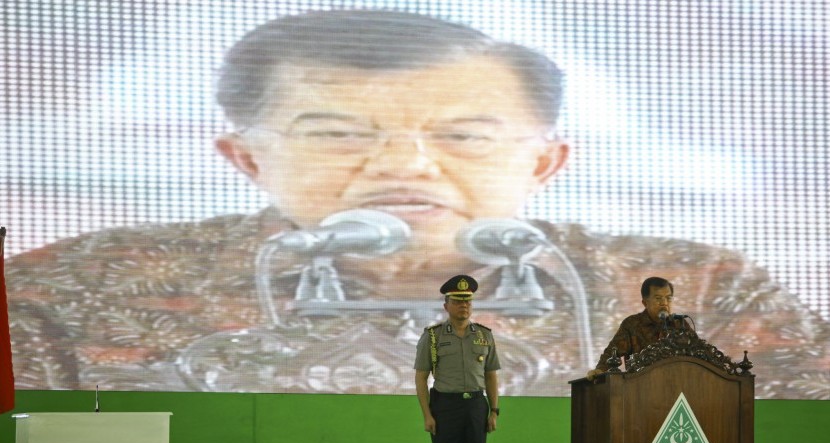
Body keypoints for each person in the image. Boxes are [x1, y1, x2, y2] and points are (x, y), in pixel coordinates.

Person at [5, 9, 829, 399]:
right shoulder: (68, 291)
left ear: (546, 160)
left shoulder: (700, 292)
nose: (405, 166)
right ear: (245, 157)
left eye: (465, 135)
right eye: (337, 133)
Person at [414, 275, 499, 443]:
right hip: (445, 407)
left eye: (468, 301)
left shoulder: (484, 336)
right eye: (458, 301)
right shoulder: (433, 337)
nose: (464, 306)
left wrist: (494, 411)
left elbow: (491, 377)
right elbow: (421, 377)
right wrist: (427, 414)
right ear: (446, 305)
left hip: (476, 406)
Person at [587, 277, 697, 380]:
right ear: (645, 303)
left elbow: (698, 352)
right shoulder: (632, 324)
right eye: (658, 298)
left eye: (668, 298)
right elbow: (611, 354)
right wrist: (599, 370)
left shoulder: (679, 324)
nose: (664, 303)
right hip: (640, 388)